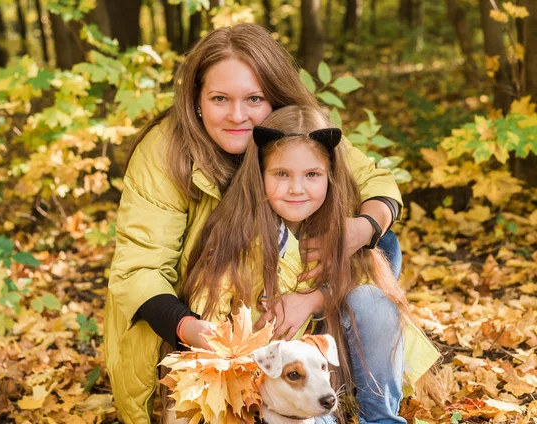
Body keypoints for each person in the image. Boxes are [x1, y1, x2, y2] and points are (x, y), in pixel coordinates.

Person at [104, 23, 406, 424]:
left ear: (275, 98)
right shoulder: (165, 152)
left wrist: (361, 228)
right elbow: (138, 270)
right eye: (219, 98)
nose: (237, 115)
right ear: (196, 99)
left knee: (387, 246)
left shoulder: (296, 129)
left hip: (297, 300)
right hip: (199, 314)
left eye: (254, 98)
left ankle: (358, 403)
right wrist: (206, 336)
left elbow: (376, 184)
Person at [180, 106, 439, 424]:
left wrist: (314, 299)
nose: (297, 188)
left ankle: (381, 418)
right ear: (259, 174)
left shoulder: (339, 229)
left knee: (372, 299)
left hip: (330, 375)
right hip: (273, 391)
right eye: (281, 174)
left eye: (312, 175)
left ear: (330, 175)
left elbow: (359, 278)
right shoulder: (238, 238)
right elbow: (212, 318)